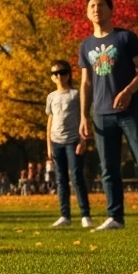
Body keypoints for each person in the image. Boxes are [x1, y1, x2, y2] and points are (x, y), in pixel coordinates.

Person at [78, 0, 138, 233]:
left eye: (101, 5)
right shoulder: (85, 45)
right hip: (100, 114)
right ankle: (115, 217)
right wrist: (83, 116)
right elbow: (86, 84)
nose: (96, 9)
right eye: (92, 6)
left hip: (130, 112)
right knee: (108, 169)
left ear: (110, 9)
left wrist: (129, 90)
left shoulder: (126, 37)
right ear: (87, 13)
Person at [46, 58, 93, 229]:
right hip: (56, 142)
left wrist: (83, 140)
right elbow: (49, 122)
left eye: (62, 72)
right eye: (55, 73)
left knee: (77, 177)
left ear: (68, 75)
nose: (59, 76)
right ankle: (64, 215)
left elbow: (84, 118)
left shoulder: (76, 95)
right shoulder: (51, 97)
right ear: (52, 77)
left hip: (73, 141)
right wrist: (49, 146)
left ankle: (85, 215)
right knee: (60, 180)